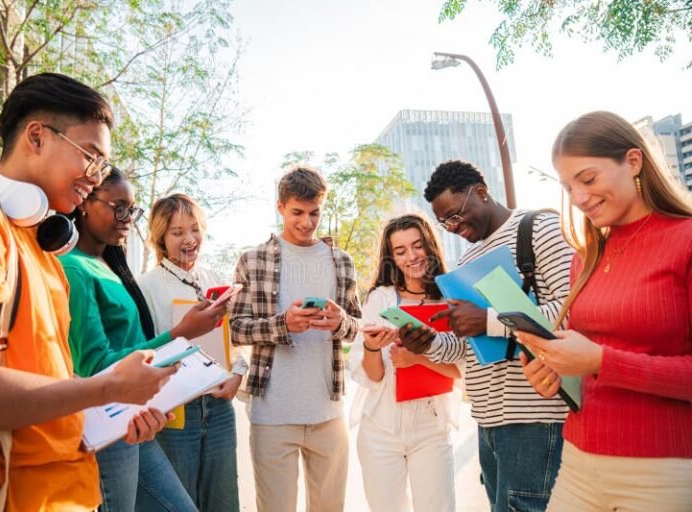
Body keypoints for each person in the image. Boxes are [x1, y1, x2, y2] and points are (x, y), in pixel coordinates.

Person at [0, 73, 177, 511]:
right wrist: (107, 389)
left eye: (102, 165)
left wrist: (116, 411)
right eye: (91, 156)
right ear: (36, 137)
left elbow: (50, 385)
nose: (94, 176)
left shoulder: (43, 251)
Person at [516, 111, 692, 511]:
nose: (578, 198)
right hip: (578, 460)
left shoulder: (685, 241)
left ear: (633, 161)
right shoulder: (586, 258)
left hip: (662, 474)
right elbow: (591, 361)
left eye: (588, 179)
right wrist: (558, 372)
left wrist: (599, 360)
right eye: (568, 187)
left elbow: (603, 358)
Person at [398, 160, 573, 512]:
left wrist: (488, 320)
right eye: (445, 222)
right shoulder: (465, 261)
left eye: (457, 215)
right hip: (488, 421)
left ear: (481, 192)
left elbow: (573, 314)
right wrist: (430, 343)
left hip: (536, 417)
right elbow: (467, 348)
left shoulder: (540, 227)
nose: (453, 227)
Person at [60, 170, 227, 511]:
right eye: (117, 206)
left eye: (131, 210)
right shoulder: (74, 268)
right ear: (84, 204)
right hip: (108, 426)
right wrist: (181, 333)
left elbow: (133, 345)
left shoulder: (105, 264)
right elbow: (94, 364)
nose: (126, 218)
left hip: (134, 419)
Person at [230, 166, 362, 512]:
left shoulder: (342, 263)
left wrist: (339, 321)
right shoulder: (252, 260)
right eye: (297, 213)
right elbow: (234, 327)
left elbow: (357, 327)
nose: (307, 222)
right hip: (273, 414)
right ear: (280, 207)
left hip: (329, 412)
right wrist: (281, 324)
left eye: (314, 213)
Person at [137, 193, 248, 512]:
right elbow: (146, 347)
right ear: (161, 237)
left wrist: (238, 373)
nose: (189, 239)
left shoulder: (213, 278)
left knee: (223, 499)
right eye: (177, 232)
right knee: (180, 501)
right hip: (176, 410)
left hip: (218, 408)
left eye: (195, 229)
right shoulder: (146, 286)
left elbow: (230, 339)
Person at [348, 213, 461, 512]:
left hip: (431, 428)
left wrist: (418, 359)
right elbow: (371, 377)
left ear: (430, 246)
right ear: (392, 257)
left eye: (417, 246)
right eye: (400, 251)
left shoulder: (451, 299)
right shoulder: (381, 299)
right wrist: (373, 348)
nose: (411, 257)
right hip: (381, 429)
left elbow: (464, 369)